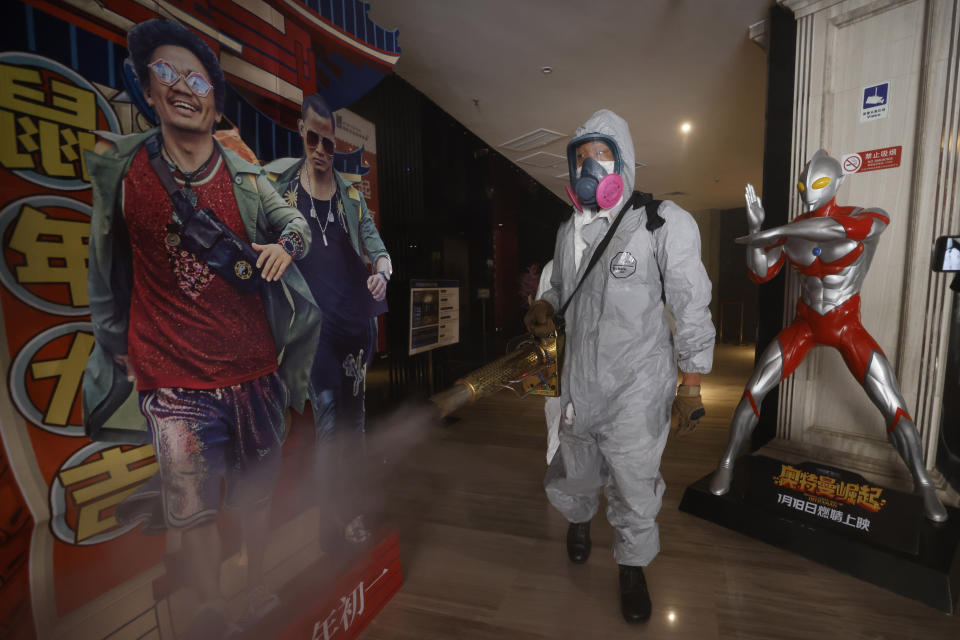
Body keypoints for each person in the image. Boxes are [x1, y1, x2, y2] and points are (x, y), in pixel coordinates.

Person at [82, 18, 321, 637]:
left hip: (256, 372)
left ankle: (259, 585)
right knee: (188, 505)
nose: (183, 88)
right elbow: (105, 275)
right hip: (174, 380)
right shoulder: (125, 175)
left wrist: (286, 247)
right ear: (145, 87)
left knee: (255, 498)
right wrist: (118, 351)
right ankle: (213, 606)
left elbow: (293, 222)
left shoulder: (244, 174)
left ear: (214, 95)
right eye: (166, 74)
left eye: (196, 77)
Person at [524, 109, 715, 623]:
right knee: (577, 467)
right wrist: (546, 302)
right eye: (580, 157)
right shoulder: (570, 231)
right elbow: (563, 288)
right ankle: (580, 520)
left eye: (601, 154)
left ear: (624, 161)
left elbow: (691, 303)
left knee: (633, 482)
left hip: (638, 386)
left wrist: (691, 382)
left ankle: (632, 566)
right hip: (580, 382)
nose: (589, 165)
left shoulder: (661, 223)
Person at [709, 149, 948, 523]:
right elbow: (761, 274)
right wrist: (757, 230)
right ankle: (726, 461)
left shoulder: (867, 218)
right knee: (754, 388)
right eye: (803, 184)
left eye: (818, 183)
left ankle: (923, 482)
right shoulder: (792, 233)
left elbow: (843, 230)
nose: (807, 191)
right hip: (804, 325)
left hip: (846, 327)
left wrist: (779, 231)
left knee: (892, 402)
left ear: (838, 182)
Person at [265, 93, 392, 546]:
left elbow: (377, 248)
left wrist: (381, 272)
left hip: (355, 328)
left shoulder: (350, 196)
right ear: (302, 132)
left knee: (354, 427)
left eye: (328, 143)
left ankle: (352, 514)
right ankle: (329, 523)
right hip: (313, 333)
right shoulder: (279, 190)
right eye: (313, 138)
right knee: (329, 426)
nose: (320, 150)